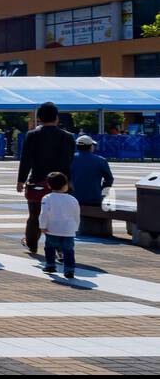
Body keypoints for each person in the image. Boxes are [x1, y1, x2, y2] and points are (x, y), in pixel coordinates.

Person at [17, 102, 76, 257]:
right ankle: (60, 248)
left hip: (37, 181)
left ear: (39, 118)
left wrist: (21, 180)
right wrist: (68, 182)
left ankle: (32, 244)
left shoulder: (32, 135)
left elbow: (26, 160)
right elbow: (69, 161)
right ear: (57, 118)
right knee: (60, 216)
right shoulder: (68, 137)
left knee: (34, 215)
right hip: (61, 182)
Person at [39, 172, 80, 280]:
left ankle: (50, 265)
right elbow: (76, 215)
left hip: (52, 229)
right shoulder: (73, 199)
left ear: (48, 185)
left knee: (50, 247)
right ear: (66, 185)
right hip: (68, 230)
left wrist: (42, 226)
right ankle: (69, 269)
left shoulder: (47, 198)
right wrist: (75, 227)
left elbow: (44, 214)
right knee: (69, 250)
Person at [70, 135, 115, 216]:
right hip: (94, 198)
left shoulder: (69, 159)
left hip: (73, 197)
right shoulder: (100, 160)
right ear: (91, 146)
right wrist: (102, 191)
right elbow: (109, 179)